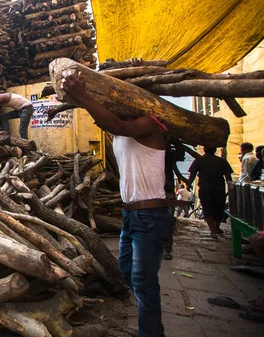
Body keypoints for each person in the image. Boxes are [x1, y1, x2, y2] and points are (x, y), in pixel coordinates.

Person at [62, 72, 173, 337]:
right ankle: (150, 324)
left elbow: (117, 126)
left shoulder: (150, 124)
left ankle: (151, 332)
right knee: (126, 270)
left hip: (150, 215)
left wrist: (82, 95)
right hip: (131, 215)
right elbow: (109, 122)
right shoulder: (121, 129)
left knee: (144, 282)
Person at [187, 146, 233, 238]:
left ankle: (212, 231)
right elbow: (228, 177)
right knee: (219, 208)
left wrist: (188, 184)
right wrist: (231, 188)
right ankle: (217, 227)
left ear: (204, 150)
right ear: (215, 150)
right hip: (219, 188)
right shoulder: (221, 161)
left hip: (205, 188)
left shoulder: (199, 160)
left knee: (208, 208)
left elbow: (192, 175)